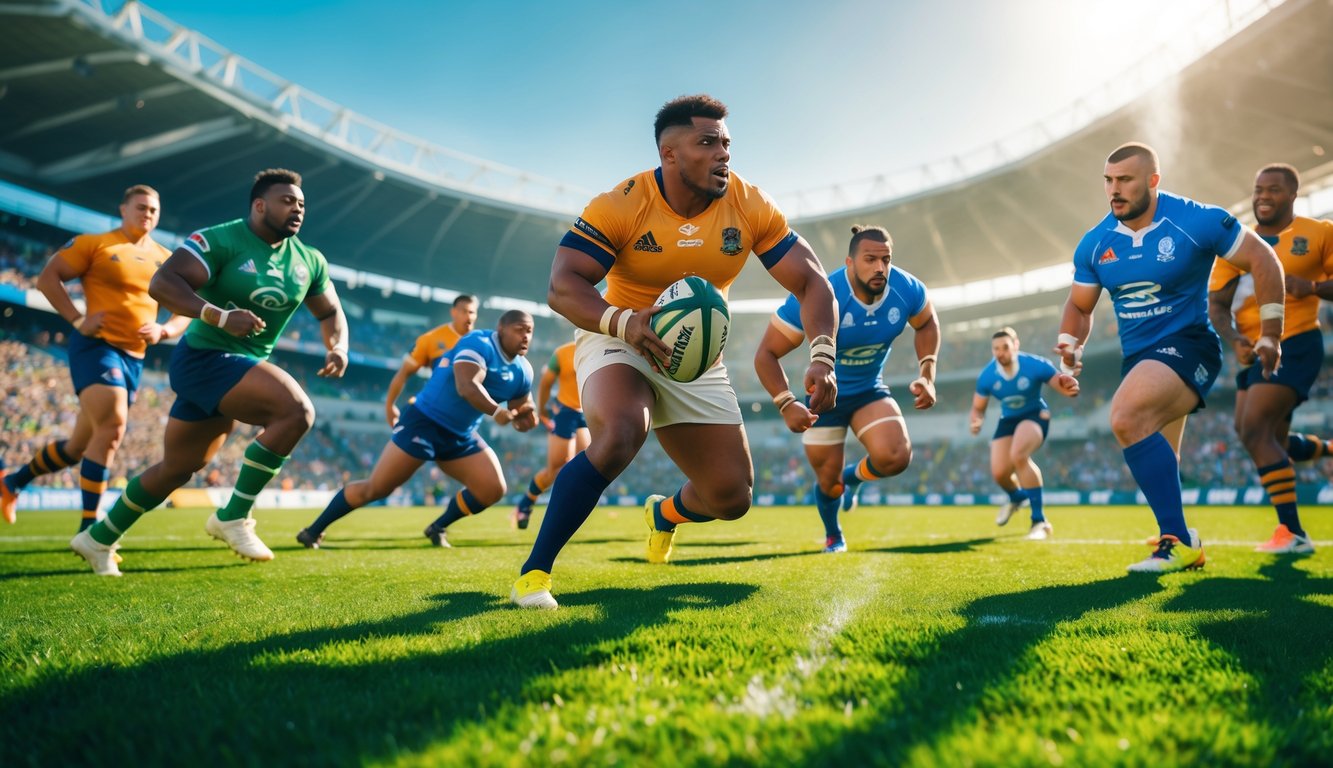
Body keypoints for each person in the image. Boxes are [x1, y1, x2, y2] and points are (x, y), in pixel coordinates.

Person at [510, 94, 838, 609]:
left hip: (696, 353)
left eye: (726, 143)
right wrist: (623, 322)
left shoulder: (749, 203)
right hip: (617, 331)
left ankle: (664, 515)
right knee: (622, 432)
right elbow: (563, 285)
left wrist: (822, 354)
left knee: (732, 498)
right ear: (669, 154)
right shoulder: (621, 203)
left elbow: (814, 281)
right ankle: (534, 574)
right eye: (707, 143)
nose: (723, 154)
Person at [69, 168, 348, 576]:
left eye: (301, 203)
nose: (297, 209)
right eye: (287, 201)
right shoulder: (220, 239)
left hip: (234, 368)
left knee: (176, 469)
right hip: (204, 358)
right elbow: (163, 283)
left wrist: (337, 345)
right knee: (296, 411)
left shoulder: (309, 261)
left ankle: (97, 539)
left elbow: (331, 313)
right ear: (259, 205)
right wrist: (218, 315)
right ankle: (234, 517)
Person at [1056, 142, 1285, 573]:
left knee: (1125, 417)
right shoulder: (1095, 243)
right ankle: (1177, 534)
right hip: (1141, 358)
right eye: (1108, 180)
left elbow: (1262, 257)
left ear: (1153, 180)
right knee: (1163, 452)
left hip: (1190, 344)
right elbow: (1080, 307)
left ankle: (1179, 541)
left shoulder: (1195, 220)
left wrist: (1271, 332)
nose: (1114, 190)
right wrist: (1071, 343)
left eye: (1125, 180)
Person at [1, 185, 189, 532]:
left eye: (153, 210)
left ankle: (12, 481)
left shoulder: (166, 258)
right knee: (114, 426)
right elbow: (47, 278)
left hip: (135, 358)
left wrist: (165, 331)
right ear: (123, 209)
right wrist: (76, 319)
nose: (147, 214)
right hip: (97, 348)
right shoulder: (96, 244)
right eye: (141, 207)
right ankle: (89, 527)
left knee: (78, 447)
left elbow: (186, 309)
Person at [754, 225, 938, 553]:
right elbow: (765, 354)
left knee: (896, 457)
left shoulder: (907, 289)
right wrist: (785, 402)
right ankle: (833, 535)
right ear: (850, 262)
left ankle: (852, 479)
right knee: (828, 481)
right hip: (824, 399)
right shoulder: (820, 295)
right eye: (870, 259)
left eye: (886, 260)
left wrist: (927, 373)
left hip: (869, 389)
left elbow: (926, 322)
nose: (880, 268)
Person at [297, 311, 538, 548]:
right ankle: (312, 531)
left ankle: (438, 527)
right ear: (501, 329)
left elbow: (520, 409)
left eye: (529, 331)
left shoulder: (524, 370)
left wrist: (525, 419)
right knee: (377, 488)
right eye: (519, 330)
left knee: (492, 490)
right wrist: (497, 412)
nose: (526, 336)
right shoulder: (479, 342)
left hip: (460, 434)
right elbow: (467, 386)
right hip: (424, 422)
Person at [1209, 163, 1333, 555]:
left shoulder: (1319, 233)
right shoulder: (1237, 243)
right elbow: (1216, 304)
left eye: (1274, 190)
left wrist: (1311, 286)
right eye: (1258, 189)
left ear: (1293, 195)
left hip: (1296, 342)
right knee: (1271, 438)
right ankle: (1329, 450)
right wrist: (1234, 340)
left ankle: (1293, 533)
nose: (1263, 196)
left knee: (1254, 429)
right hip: (1253, 352)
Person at [968, 327, 1079, 540]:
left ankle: (1040, 522)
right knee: (999, 473)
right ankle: (1016, 496)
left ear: (1016, 345)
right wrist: (976, 420)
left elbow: (1060, 383)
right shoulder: (987, 376)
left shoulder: (1035, 365)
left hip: (1035, 415)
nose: (1000, 352)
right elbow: (978, 407)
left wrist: (1070, 387)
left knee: (1019, 455)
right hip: (1008, 420)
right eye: (996, 349)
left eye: (1005, 347)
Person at [511, 338, 589, 530]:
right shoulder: (563, 352)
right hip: (564, 411)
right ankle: (526, 503)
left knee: (586, 466)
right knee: (557, 468)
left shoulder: (601, 350)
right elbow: (546, 383)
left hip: (585, 412)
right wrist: (544, 412)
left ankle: (566, 512)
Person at [384, 294, 478, 427]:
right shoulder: (431, 339)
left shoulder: (482, 344)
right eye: (464, 311)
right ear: (453, 312)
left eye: (472, 312)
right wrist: (389, 406)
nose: (469, 317)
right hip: (431, 412)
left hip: (464, 420)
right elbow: (404, 373)